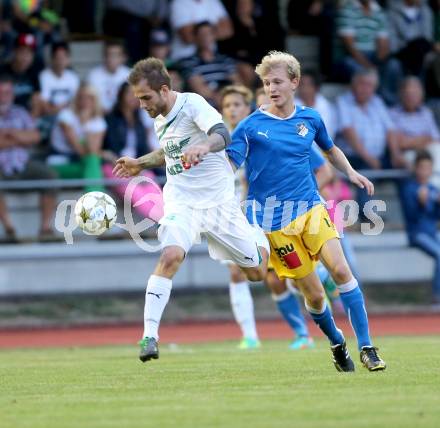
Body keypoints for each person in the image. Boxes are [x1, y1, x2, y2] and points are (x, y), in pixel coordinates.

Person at [226, 51, 386, 372]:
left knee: (341, 272)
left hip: (310, 209)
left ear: (294, 82)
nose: (271, 88)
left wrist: (350, 172)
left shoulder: (310, 118)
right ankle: (337, 342)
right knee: (313, 296)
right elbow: (230, 163)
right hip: (273, 224)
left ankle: (367, 346)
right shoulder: (249, 126)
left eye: (278, 81)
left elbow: (330, 148)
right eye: (267, 82)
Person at [113, 58, 269, 363]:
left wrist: (204, 147)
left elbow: (222, 133)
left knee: (256, 273)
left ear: (164, 89)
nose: (142, 105)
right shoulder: (159, 116)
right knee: (170, 256)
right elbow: (169, 152)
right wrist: (140, 163)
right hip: (181, 202)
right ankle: (149, 336)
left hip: (220, 205)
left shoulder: (193, 104)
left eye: (146, 97)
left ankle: (260, 236)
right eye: (138, 99)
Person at [335, 68, 403, 213]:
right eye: (362, 84)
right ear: (353, 85)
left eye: (369, 85)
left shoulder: (377, 102)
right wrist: (369, 158)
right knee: (365, 170)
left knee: (407, 169)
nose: (365, 88)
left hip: (378, 156)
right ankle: (368, 215)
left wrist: (396, 154)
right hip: (353, 157)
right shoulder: (344, 101)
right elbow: (348, 132)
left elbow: (390, 130)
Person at [0, 74, 57, 242]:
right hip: (1, 167)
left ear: (12, 94)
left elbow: (35, 136)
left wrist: (9, 135)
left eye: (7, 92)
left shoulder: (21, 112)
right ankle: (9, 229)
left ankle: (45, 228)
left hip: (24, 165)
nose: (4, 96)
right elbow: (26, 138)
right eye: (0, 92)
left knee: (50, 176)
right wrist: (20, 138)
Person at [103, 82, 163, 223]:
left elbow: (142, 148)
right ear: (121, 96)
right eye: (129, 94)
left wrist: (140, 166)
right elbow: (106, 149)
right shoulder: (110, 119)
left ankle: (168, 221)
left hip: (136, 164)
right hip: (115, 166)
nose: (133, 97)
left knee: (153, 187)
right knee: (135, 190)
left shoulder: (139, 120)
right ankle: (160, 221)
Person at [47, 83, 106, 193]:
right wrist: (101, 153)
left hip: (81, 164)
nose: (85, 101)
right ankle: (95, 199)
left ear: (95, 101)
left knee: (93, 164)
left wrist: (86, 125)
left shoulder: (98, 121)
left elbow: (92, 151)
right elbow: (80, 150)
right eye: (81, 97)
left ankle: (93, 198)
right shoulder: (65, 116)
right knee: (94, 167)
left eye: (89, 98)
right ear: (76, 99)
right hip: (59, 163)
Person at [400, 150, 440, 304]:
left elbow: (436, 217)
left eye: (428, 168)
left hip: (431, 232)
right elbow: (411, 215)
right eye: (422, 167)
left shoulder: (432, 188)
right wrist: (421, 203)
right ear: (416, 168)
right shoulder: (409, 188)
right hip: (417, 234)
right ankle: (437, 297)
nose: (425, 171)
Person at [390, 76, 440, 184]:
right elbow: (400, 143)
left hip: (427, 150)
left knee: (438, 150)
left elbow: (436, 139)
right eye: (408, 94)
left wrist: (411, 141)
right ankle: (431, 191)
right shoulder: (393, 113)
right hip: (408, 154)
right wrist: (423, 139)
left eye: (415, 94)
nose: (411, 97)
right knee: (416, 161)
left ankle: (434, 189)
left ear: (421, 95)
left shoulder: (426, 112)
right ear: (402, 95)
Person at [178, 21, 239, 108]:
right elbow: (200, 89)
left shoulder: (226, 60)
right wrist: (223, 99)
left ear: (214, 36)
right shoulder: (188, 62)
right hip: (205, 108)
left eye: (208, 33)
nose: (205, 37)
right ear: (195, 38)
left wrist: (228, 99)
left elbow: (237, 84)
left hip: (230, 103)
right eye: (201, 34)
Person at [169, 0, 234, 61]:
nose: (206, 37)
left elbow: (228, 30)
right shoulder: (179, 3)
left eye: (209, 33)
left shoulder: (213, 1)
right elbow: (187, 37)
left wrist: (198, 32)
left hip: (211, 56)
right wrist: (211, 31)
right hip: (184, 57)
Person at [87, 41, 130, 114]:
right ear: (104, 57)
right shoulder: (93, 75)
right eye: (108, 55)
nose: (111, 58)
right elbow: (89, 100)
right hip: (99, 114)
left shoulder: (129, 74)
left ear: (123, 58)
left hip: (122, 115)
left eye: (115, 55)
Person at [39, 41, 80, 116]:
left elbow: (76, 101)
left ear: (68, 59)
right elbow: (44, 104)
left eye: (64, 57)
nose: (61, 61)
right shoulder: (44, 76)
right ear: (52, 58)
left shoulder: (73, 76)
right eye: (58, 57)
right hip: (50, 116)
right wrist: (60, 108)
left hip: (70, 115)